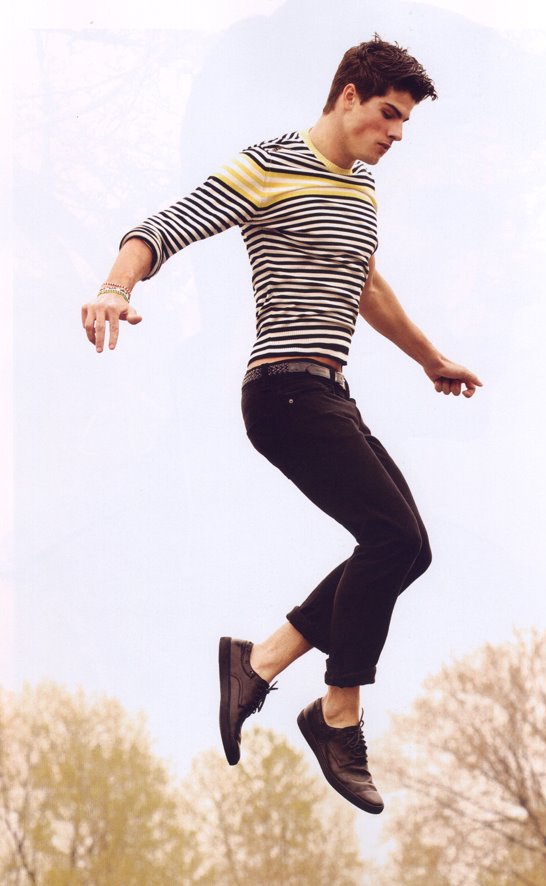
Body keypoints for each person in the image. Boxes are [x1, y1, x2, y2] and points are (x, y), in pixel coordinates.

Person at [81, 35, 482, 815]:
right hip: (284, 394)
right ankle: (338, 714)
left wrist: (430, 359)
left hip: (331, 392)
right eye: (388, 115)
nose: (396, 134)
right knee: (390, 538)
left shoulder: (360, 187)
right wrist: (113, 287)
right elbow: (162, 228)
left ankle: (259, 663)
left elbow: (365, 285)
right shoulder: (268, 165)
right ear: (347, 95)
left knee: (410, 549)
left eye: (404, 122)